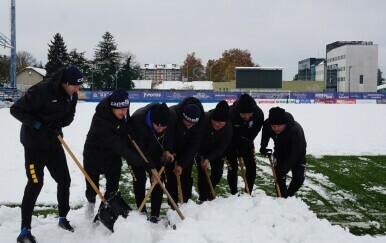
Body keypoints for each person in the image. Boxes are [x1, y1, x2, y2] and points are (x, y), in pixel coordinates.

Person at [10, 66, 83, 243]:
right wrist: (38, 126)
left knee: (64, 180)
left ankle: (63, 218)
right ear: (64, 83)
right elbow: (16, 110)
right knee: (35, 182)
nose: (77, 90)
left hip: (53, 142)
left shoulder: (71, 95)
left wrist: (58, 125)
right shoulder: (42, 90)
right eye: (74, 85)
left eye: (79, 86)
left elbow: (70, 116)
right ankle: (24, 231)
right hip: (34, 144)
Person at [82, 89, 152, 219]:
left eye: (126, 108)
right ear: (112, 107)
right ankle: (91, 203)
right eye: (121, 109)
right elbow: (118, 145)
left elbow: (124, 133)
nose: (124, 112)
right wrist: (141, 163)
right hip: (94, 155)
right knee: (92, 189)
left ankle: (102, 214)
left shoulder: (122, 112)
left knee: (112, 189)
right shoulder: (100, 120)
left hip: (112, 156)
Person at [129, 102, 174, 223]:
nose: (159, 129)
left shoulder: (170, 119)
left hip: (155, 150)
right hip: (136, 152)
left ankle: (155, 214)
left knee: (159, 179)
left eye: (163, 127)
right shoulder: (138, 121)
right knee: (139, 179)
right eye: (156, 126)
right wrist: (151, 169)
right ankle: (142, 210)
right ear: (152, 120)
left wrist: (167, 151)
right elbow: (141, 151)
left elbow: (169, 138)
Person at [259, 107, 307, 198]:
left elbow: (295, 154)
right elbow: (265, 133)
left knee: (299, 179)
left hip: (298, 152)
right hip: (280, 151)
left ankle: (288, 196)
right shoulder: (267, 124)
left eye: (279, 126)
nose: (276, 129)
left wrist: (284, 170)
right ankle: (281, 199)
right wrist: (263, 146)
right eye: (273, 126)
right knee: (279, 178)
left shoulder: (295, 130)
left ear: (284, 124)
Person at [165, 97, 205, 205]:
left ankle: (186, 204)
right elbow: (167, 136)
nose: (189, 127)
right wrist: (169, 151)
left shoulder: (201, 122)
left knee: (187, 178)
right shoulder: (173, 114)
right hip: (171, 151)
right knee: (171, 178)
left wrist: (182, 164)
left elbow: (194, 146)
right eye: (187, 123)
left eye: (192, 125)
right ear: (182, 116)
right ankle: (172, 206)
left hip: (187, 151)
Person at [226, 93, 264, 195]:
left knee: (252, 167)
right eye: (243, 114)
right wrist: (234, 147)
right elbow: (227, 133)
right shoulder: (230, 114)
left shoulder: (259, 114)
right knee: (232, 168)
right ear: (239, 111)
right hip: (231, 143)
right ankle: (234, 193)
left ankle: (248, 192)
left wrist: (246, 144)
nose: (247, 117)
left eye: (249, 114)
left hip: (247, 141)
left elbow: (255, 131)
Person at [196, 100, 233, 202]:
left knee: (217, 173)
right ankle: (203, 198)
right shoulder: (203, 120)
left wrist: (209, 158)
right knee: (202, 174)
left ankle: (208, 192)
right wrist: (201, 156)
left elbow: (222, 147)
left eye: (222, 123)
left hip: (216, 151)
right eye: (217, 122)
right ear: (212, 118)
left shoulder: (228, 128)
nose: (219, 125)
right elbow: (196, 139)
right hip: (201, 150)